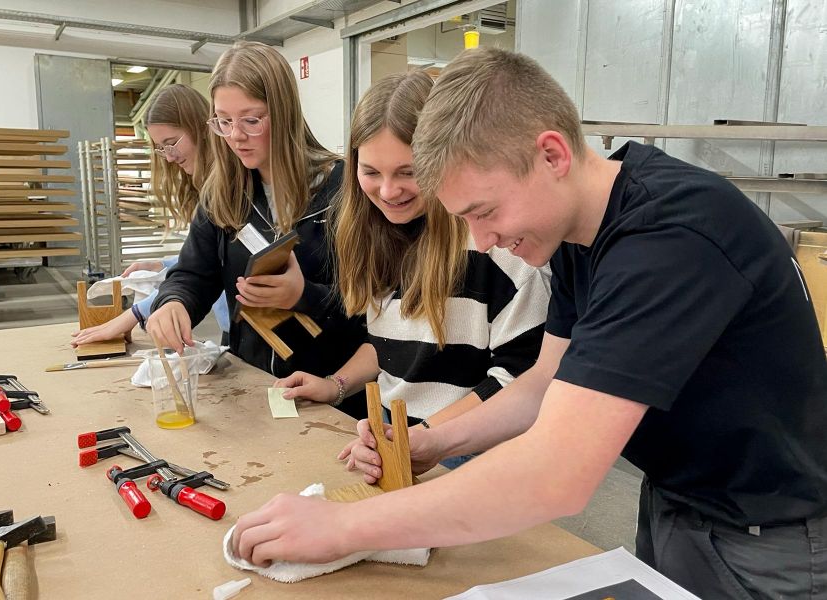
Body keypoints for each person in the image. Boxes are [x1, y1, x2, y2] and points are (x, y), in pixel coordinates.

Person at [230, 48, 827, 599]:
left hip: (766, 534)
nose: (484, 240)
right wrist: (434, 442)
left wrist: (342, 526)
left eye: (485, 211)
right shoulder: (578, 232)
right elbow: (544, 382)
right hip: (676, 499)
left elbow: (557, 474)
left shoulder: (670, 238)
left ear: (552, 154)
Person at [272, 71, 550, 470]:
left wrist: (424, 437)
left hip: (479, 451)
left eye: (409, 172)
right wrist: (336, 385)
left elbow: (520, 377)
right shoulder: (375, 234)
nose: (388, 191)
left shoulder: (494, 243)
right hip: (404, 434)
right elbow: (391, 343)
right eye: (371, 172)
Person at [147, 42, 365, 392]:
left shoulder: (344, 189)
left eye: (251, 120)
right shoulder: (223, 193)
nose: (236, 136)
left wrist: (305, 295)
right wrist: (173, 301)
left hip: (332, 391)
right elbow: (193, 273)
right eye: (224, 121)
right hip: (253, 384)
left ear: (284, 112)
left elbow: (377, 306)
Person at [71, 84, 229, 348]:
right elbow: (211, 255)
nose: (169, 157)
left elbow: (213, 269)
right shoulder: (207, 188)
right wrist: (164, 264)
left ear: (202, 128)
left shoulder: (227, 191)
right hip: (233, 329)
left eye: (171, 143)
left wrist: (134, 314)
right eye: (161, 148)